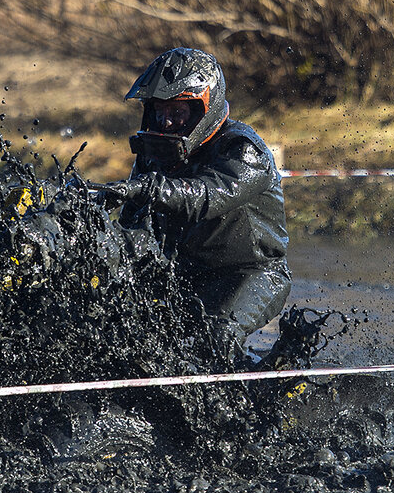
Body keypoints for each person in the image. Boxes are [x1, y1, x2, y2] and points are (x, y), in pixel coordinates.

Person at [100, 47, 290, 354]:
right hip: (185, 275)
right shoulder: (156, 156)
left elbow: (208, 195)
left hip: (251, 274)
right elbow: (132, 229)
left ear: (205, 108)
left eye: (177, 113)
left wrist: (151, 188)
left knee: (217, 339)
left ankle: (264, 387)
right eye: (160, 113)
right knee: (122, 329)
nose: (167, 124)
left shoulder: (244, 150)